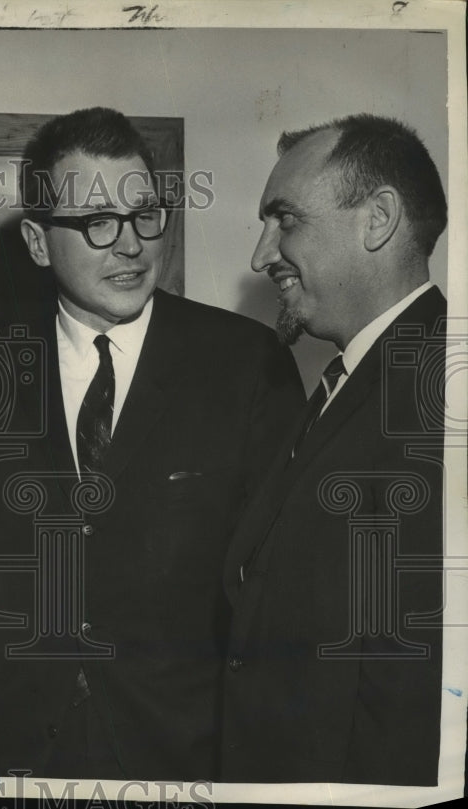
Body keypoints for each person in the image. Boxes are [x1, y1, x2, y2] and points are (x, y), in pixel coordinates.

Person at [0, 107, 306, 780]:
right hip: (17, 757)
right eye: (96, 222)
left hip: (184, 756)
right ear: (37, 242)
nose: (131, 245)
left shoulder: (245, 363)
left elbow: (279, 600)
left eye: (145, 215)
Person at [222, 114, 448, 785]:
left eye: (285, 220)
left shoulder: (438, 391)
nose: (261, 256)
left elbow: (414, 687)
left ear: (377, 219)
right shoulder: (349, 380)